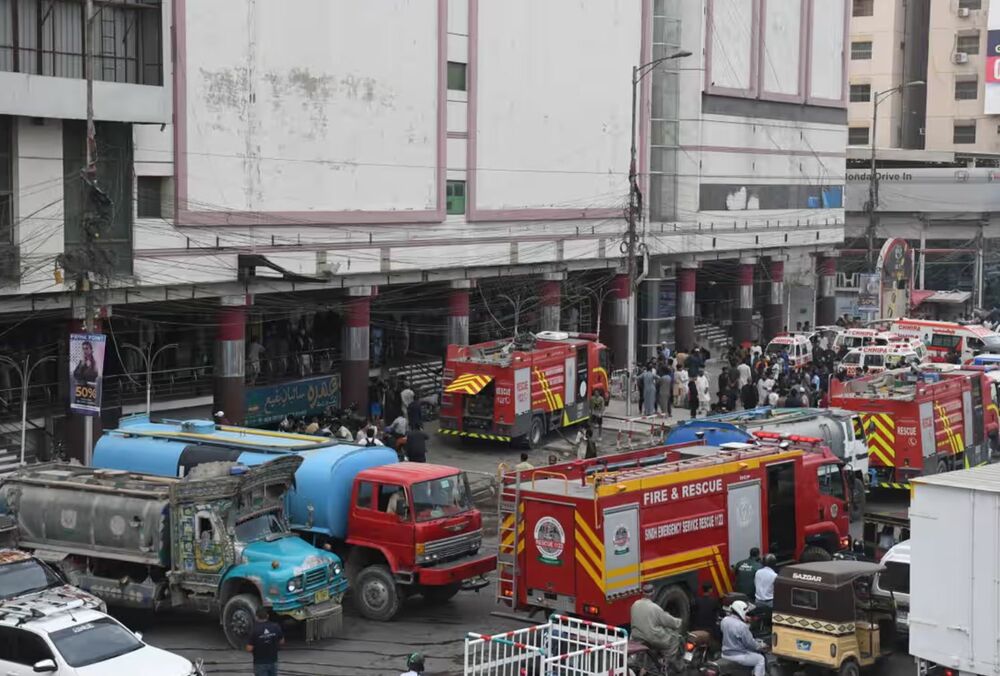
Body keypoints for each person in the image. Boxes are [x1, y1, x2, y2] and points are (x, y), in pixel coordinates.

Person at [630, 584, 683, 668]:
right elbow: (668, 621)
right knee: (674, 639)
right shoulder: (654, 608)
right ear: (653, 593)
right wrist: (678, 622)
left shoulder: (635, 604)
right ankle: (666, 664)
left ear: (643, 593)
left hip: (636, 636)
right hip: (651, 638)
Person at [720, 600, 767, 676]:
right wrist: (761, 645)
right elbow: (750, 644)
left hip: (725, 653)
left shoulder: (724, 620)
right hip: (738, 656)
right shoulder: (742, 626)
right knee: (760, 659)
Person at [246, 606, 285, 676]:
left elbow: (249, 648)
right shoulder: (275, 626)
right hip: (273, 661)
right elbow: (282, 641)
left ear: (256, 617)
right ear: (267, 616)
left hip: (260, 663)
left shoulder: (254, 630)